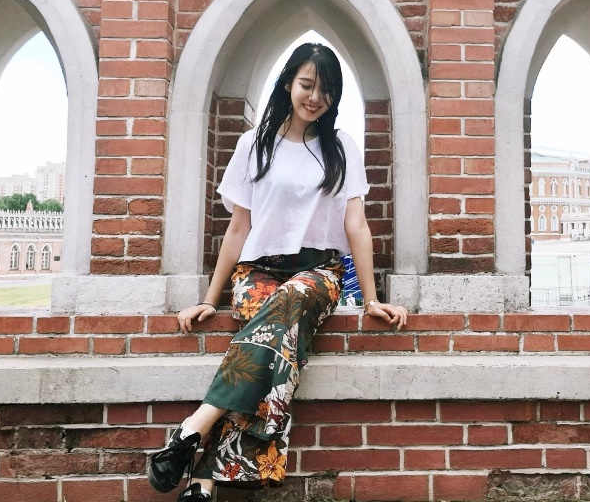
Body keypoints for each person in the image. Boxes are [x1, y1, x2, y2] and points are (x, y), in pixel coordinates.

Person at [148, 42, 408, 500]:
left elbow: (357, 226)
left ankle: (193, 428)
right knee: (274, 349)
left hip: (318, 272)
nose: (315, 97)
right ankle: (204, 480)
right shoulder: (253, 144)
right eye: (307, 85)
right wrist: (210, 298)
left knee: (289, 304)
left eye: (326, 90)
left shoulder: (341, 147)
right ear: (288, 82)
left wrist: (370, 299)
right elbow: (238, 228)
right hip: (257, 272)